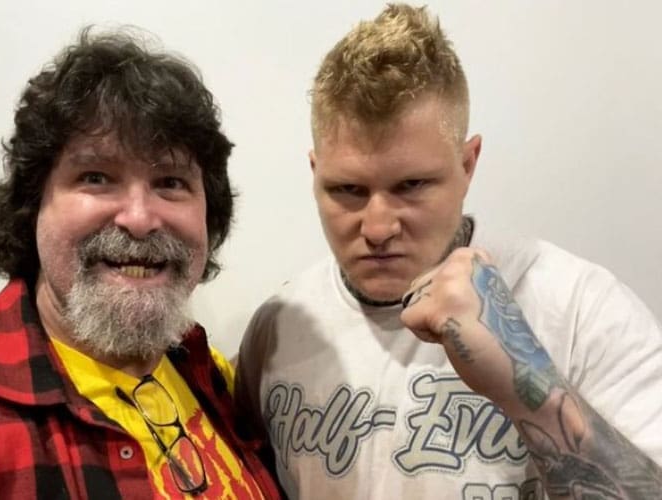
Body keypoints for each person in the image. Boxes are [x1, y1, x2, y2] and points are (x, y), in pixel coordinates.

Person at [236, 4, 662, 499]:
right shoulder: (279, 328)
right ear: (315, 173)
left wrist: (529, 383)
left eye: (412, 185)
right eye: (347, 190)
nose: (377, 228)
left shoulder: (577, 307)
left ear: (467, 164)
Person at [0, 28, 281, 499]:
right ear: (32, 204)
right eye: (96, 177)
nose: (140, 219)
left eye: (170, 182)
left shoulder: (214, 377)